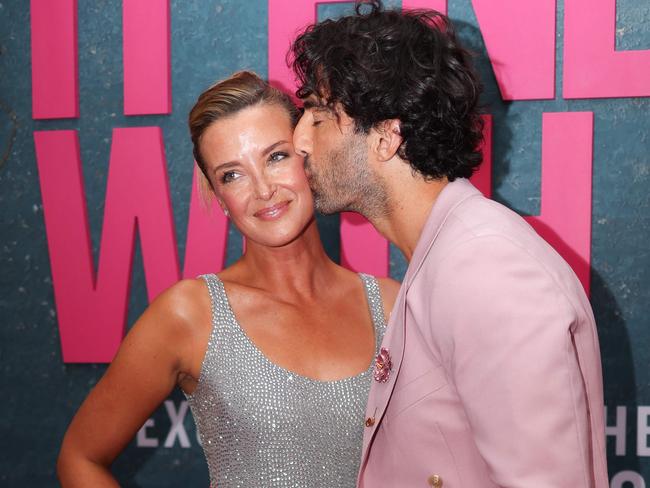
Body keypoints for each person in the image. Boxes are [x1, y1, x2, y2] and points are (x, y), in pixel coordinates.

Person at [290, 2, 609, 487]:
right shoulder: (448, 255)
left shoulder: (486, 268)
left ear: (386, 137)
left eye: (316, 114)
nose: (299, 141)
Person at [56, 71, 400, 487]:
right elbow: (80, 458)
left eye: (276, 156)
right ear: (219, 198)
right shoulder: (191, 314)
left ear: (307, 154)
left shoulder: (390, 305)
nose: (262, 190)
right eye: (232, 175)